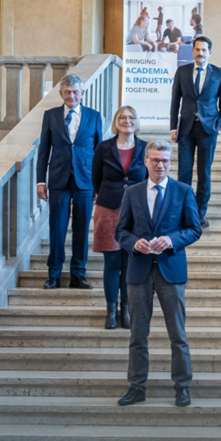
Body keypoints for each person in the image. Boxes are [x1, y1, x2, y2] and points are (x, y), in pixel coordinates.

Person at [115, 142, 203, 408]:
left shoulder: (183, 191)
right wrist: (133, 243)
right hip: (139, 270)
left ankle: (183, 387)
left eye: (165, 161)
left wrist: (171, 239)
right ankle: (137, 387)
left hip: (171, 270)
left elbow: (194, 229)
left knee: (178, 334)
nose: (160, 165)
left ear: (171, 162)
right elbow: (121, 231)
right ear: (145, 161)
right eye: (155, 160)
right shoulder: (132, 193)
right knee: (138, 335)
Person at [36, 74, 103, 290]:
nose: (71, 96)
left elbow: (99, 151)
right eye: (67, 92)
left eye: (75, 92)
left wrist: (98, 183)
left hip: (85, 181)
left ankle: (78, 275)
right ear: (60, 94)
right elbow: (44, 150)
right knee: (57, 229)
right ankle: (54, 275)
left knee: (81, 229)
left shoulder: (94, 116)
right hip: (58, 180)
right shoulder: (51, 115)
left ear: (82, 93)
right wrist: (40, 181)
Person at [91, 105, 147, 329]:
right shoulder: (104, 147)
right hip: (109, 208)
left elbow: (148, 177)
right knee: (112, 263)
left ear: (136, 121)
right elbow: (96, 177)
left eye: (131, 117)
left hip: (136, 212)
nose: (127, 121)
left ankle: (127, 311)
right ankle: (111, 311)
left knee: (130, 263)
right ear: (116, 121)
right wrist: (109, 193)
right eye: (122, 117)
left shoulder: (144, 147)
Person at [170, 35, 221, 228]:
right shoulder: (182, 71)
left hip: (207, 130)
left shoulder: (219, 73)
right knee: (183, 174)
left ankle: (199, 215)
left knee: (204, 173)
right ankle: (183, 214)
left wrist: (218, 125)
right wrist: (173, 127)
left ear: (209, 53)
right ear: (193, 51)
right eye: (197, 49)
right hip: (186, 129)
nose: (200, 53)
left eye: (204, 50)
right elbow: (175, 101)